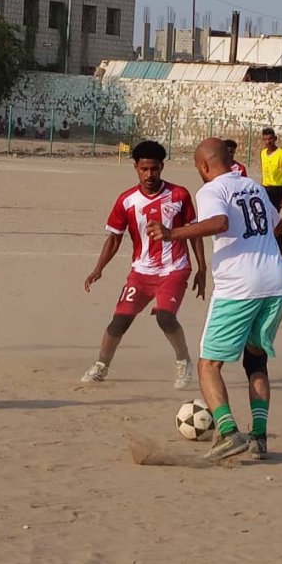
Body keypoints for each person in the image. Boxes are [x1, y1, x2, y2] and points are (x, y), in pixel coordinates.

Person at [147, 138, 282, 461]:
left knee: (208, 365)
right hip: (277, 281)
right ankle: (259, 437)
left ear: (203, 166)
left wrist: (172, 233)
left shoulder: (212, 190)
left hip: (241, 285)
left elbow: (219, 223)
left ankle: (227, 432)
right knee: (255, 361)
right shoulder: (252, 186)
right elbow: (278, 225)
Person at [81, 140, 207, 389]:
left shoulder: (179, 195)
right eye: (144, 169)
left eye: (155, 169)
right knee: (118, 322)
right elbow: (115, 238)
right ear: (136, 167)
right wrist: (99, 269)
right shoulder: (126, 201)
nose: (150, 175)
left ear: (162, 167)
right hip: (141, 272)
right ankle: (102, 365)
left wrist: (202, 269)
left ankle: (183, 361)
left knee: (165, 317)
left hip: (175, 268)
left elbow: (194, 232)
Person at [260, 127, 282, 262]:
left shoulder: (281, 153)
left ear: (275, 139)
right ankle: (274, 253)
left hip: (277, 191)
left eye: (270, 139)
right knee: (265, 222)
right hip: (265, 190)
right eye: (265, 139)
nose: (268, 142)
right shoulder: (262, 153)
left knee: (274, 222)